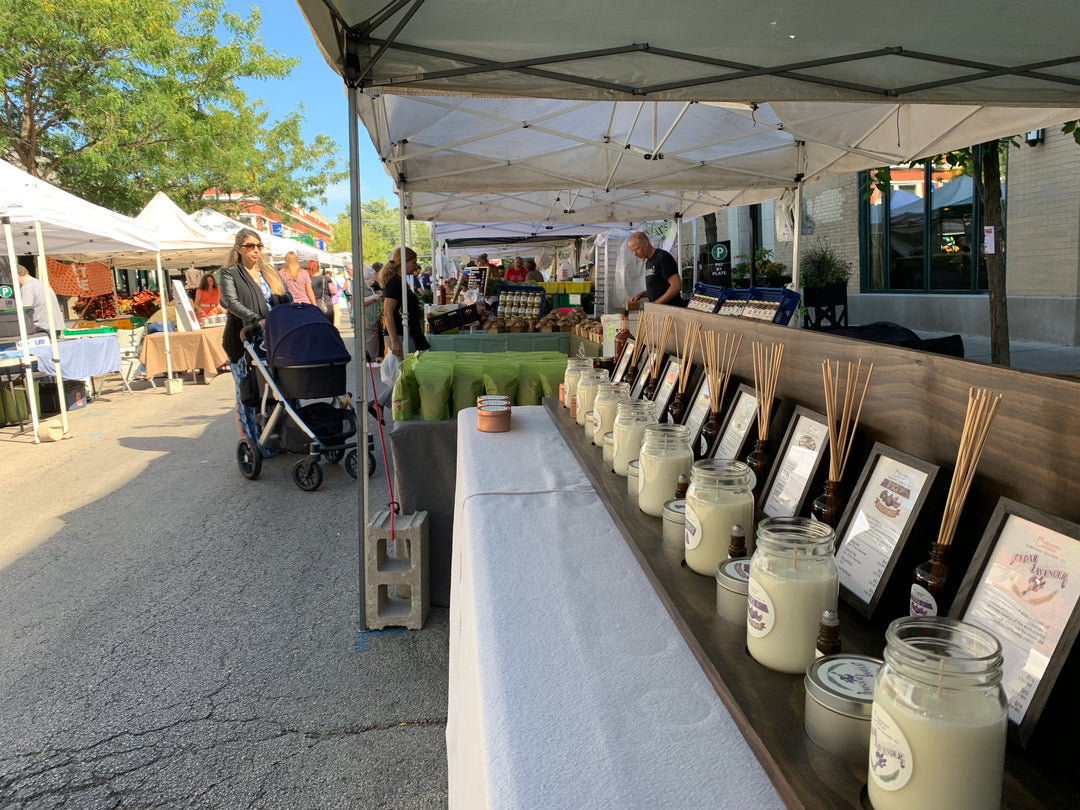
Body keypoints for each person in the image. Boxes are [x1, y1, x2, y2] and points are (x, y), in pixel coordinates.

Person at [219, 228, 291, 453]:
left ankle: (287, 438)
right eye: (250, 246)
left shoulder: (269, 272)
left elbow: (285, 297)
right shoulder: (229, 273)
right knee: (250, 391)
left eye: (259, 246)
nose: (255, 251)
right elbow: (230, 301)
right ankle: (256, 445)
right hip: (245, 339)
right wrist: (256, 319)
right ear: (239, 249)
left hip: (275, 337)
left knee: (281, 387)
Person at [380, 246, 430, 358]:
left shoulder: (400, 281)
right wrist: (395, 341)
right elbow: (388, 313)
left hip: (406, 333)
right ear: (403, 262)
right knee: (405, 370)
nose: (415, 266)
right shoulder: (394, 283)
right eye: (413, 262)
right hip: (400, 334)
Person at [628, 231, 684, 306]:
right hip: (659, 310)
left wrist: (656, 304)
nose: (635, 254)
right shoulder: (648, 261)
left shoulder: (662, 258)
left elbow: (677, 285)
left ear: (646, 243)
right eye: (633, 251)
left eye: (637, 249)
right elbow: (658, 289)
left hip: (670, 310)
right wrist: (641, 294)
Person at [16, 263, 64, 335]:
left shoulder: (27, 287)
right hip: (56, 325)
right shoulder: (41, 284)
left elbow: (25, 309)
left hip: (42, 327)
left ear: (16, 275)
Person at [360, 267, 383, 362]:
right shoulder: (361, 286)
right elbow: (360, 301)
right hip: (368, 319)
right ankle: (371, 359)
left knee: (372, 339)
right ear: (369, 276)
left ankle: (373, 358)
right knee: (370, 340)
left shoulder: (370, 287)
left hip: (372, 319)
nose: (374, 279)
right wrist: (374, 297)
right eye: (373, 277)